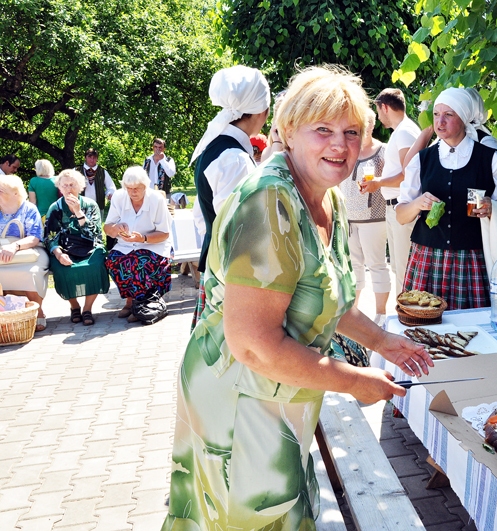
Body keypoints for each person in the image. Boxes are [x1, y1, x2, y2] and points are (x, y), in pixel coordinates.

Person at [161, 65, 433, 530]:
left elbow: (329, 299)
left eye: (351, 131)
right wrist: (353, 381)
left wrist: (384, 343)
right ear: (287, 129)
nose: (340, 145)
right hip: (239, 400)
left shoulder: (329, 199)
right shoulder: (269, 201)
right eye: (322, 129)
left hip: (280, 398)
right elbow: (253, 345)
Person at [395, 87, 497, 309]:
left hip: (471, 258)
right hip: (428, 257)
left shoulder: (488, 158)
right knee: (424, 324)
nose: (440, 121)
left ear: (464, 118)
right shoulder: (422, 159)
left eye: (449, 115)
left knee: (471, 329)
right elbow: (401, 215)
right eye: (437, 114)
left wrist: (492, 207)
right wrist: (418, 204)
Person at [189, 65, 271, 329]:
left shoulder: (218, 147)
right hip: (232, 272)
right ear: (262, 111)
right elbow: (237, 228)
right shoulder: (234, 158)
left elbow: (201, 216)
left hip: (219, 262)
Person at [361, 88, 421, 293]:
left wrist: (378, 183)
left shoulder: (404, 132)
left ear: (385, 107)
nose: (378, 117)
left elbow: (407, 174)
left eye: (378, 111)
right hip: (396, 207)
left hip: (401, 206)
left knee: (404, 270)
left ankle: (406, 319)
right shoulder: (403, 130)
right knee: (398, 267)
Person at [103, 166, 172, 321]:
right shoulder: (119, 197)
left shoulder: (156, 199)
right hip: (125, 245)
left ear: (145, 186)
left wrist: (143, 238)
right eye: (129, 188)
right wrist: (116, 228)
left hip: (154, 245)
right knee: (113, 260)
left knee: (137, 261)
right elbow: (107, 228)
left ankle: (138, 304)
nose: (133, 192)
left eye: (137, 188)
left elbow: (164, 233)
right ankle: (130, 301)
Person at [339, 109, 390, 320]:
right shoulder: (347, 150)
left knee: (376, 264)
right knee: (353, 266)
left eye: (366, 126)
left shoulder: (382, 151)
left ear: (373, 125)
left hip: (374, 218)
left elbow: (393, 182)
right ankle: (355, 312)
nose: (362, 131)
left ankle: (381, 315)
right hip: (348, 217)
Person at [44, 169, 109, 326]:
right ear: (59, 187)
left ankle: (87, 309)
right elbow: (49, 236)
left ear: (80, 186)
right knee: (61, 268)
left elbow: (95, 233)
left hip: (90, 247)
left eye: (72, 184)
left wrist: (79, 212)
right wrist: (59, 254)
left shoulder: (90, 205)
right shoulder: (55, 208)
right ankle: (74, 306)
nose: (68, 188)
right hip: (65, 249)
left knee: (96, 265)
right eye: (64, 185)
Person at [0, 174, 48, 330]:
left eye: (1, 190)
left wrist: (15, 246)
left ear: (15, 193)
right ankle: (5, 315)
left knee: (30, 273)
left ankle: (37, 312)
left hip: (29, 250)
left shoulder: (29, 208)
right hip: (2, 251)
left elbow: (35, 237)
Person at [76, 148, 116, 215]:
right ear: (85, 157)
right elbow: (69, 186)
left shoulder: (102, 172)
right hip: (80, 207)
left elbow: (111, 187)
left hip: (98, 207)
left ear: (97, 159)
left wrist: (110, 194)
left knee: (97, 225)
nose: (92, 160)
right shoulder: (76, 171)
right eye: (89, 157)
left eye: (94, 157)